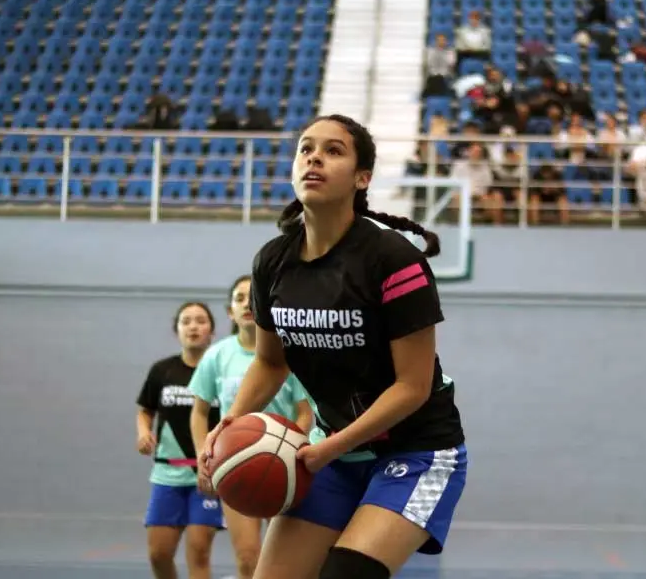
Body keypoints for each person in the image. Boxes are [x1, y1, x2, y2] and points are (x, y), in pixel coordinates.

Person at [197, 114, 468, 579]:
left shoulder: (393, 260)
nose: (314, 157)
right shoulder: (273, 261)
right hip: (335, 450)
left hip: (420, 451)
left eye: (333, 150)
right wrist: (231, 421)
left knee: (345, 574)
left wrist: (326, 449)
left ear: (362, 179)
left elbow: (412, 387)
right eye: (305, 148)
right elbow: (269, 361)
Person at [189, 274, 315, 579]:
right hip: (234, 461)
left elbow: (304, 412)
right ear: (230, 311)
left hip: (285, 463)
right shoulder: (217, 355)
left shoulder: (286, 354)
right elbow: (199, 412)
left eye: (252, 298)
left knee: (285, 561)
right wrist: (202, 458)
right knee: (248, 557)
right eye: (239, 298)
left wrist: (292, 447)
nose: (247, 303)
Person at [136, 301, 223, 579]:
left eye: (200, 320)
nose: (193, 327)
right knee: (159, 555)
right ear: (177, 330)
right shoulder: (162, 370)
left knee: (198, 554)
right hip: (167, 475)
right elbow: (145, 411)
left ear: (212, 330)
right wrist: (143, 432)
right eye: (186, 321)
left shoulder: (219, 371)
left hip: (205, 476)